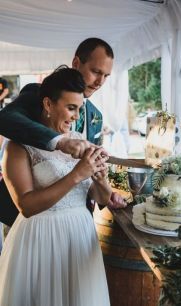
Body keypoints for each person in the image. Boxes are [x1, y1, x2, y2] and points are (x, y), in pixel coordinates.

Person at [0, 67, 111, 306]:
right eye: (70, 108)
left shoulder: (80, 141)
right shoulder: (17, 146)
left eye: (79, 109)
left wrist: (101, 178)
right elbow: (26, 205)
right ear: (48, 105)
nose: (76, 117)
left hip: (80, 237)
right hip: (40, 241)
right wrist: (76, 175)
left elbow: (101, 197)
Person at [0, 37, 126, 227]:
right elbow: (5, 119)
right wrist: (60, 142)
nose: (100, 81)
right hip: (32, 220)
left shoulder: (96, 116)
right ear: (76, 63)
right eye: (95, 71)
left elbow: (88, 174)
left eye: (106, 76)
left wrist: (105, 191)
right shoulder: (38, 93)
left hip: (78, 221)